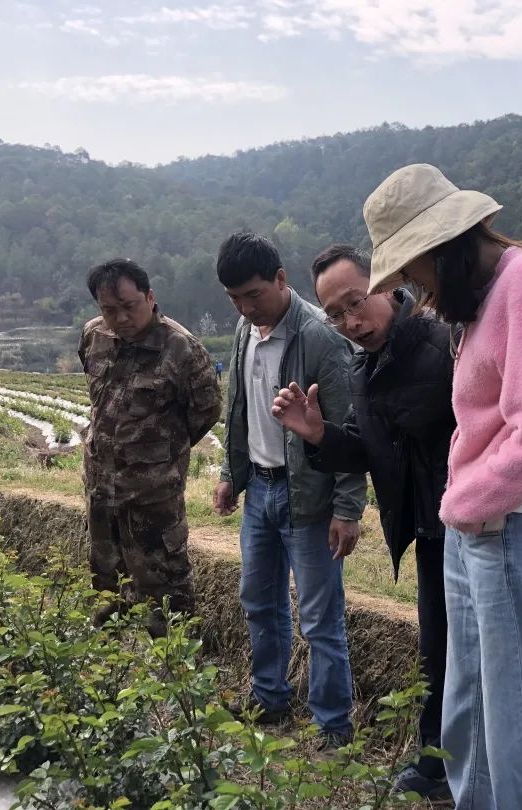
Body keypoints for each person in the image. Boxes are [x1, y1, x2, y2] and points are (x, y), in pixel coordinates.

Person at [363, 164, 522, 809]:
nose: (415, 290)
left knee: (518, 729)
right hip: (476, 534)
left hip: (512, 533)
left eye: (413, 271)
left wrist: (459, 501)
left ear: (445, 246)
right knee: (470, 713)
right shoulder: (479, 300)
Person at [271, 245, 455, 801]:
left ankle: (462, 768)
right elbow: (375, 450)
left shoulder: (441, 343)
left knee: (470, 653)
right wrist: (320, 434)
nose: (351, 322)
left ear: (389, 284)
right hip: (429, 531)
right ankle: (437, 765)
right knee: (437, 648)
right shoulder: (366, 366)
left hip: (471, 526)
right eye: (336, 315)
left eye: (357, 303)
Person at [212, 232, 366, 750]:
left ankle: (333, 725)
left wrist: (347, 508)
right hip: (260, 489)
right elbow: (238, 405)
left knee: (320, 617)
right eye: (234, 298)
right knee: (259, 600)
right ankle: (270, 697)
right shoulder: (243, 330)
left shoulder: (320, 338)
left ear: (281, 279)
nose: (245, 306)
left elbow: (347, 430)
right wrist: (231, 472)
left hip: (309, 498)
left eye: (253, 294)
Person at [79, 257, 221, 638]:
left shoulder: (182, 350)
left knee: (166, 596)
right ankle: (114, 677)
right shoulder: (95, 338)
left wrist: (158, 454)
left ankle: (177, 686)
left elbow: (205, 411)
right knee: (107, 589)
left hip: (153, 501)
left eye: (129, 306)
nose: (121, 318)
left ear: (150, 297)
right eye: (109, 310)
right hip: (102, 494)